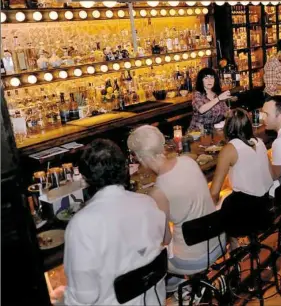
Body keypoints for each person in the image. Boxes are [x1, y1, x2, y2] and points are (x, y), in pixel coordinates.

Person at [63, 139, 168, 305]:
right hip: (155, 300)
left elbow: (84, 297)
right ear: (125, 169)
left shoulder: (81, 225)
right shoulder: (147, 203)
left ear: (84, 179)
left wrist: (63, 296)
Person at [127, 126, 225, 296]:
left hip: (194, 259)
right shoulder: (188, 161)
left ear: (141, 158)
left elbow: (165, 239)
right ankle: (183, 285)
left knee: (143, 250)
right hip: (218, 242)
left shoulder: (158, 191)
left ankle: (178, 287)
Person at [210, 108, 273, 203]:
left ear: (227, 128)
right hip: (267, 201)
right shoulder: (259, 142)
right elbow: (270, 174)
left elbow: (214, 193)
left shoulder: (229, 149)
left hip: (245, 205)